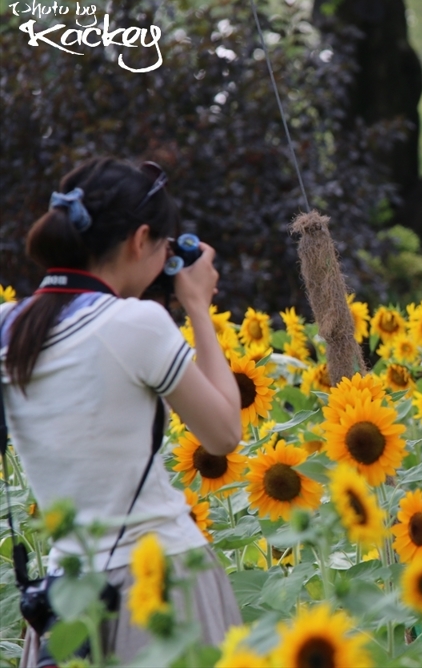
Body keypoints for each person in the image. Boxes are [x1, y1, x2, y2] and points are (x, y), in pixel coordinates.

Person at [0, 157, 242, 665]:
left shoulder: (8, 327)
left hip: (66, 597)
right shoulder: (138, 325)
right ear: (140, 239)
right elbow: (223, 433)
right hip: (158, 581)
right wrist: (197, 304)